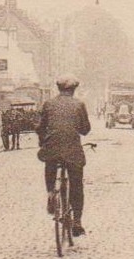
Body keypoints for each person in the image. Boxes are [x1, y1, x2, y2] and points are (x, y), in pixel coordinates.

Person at [37, 76, 93, 237]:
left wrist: (43, 143)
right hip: (72, 151)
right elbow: (85, 129)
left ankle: (50, 194)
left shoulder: (48, 104)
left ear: (58, 89)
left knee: (50, 164)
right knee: (76, 184)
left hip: (52, 148)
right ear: (73, 90)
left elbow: (40, 127)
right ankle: (77, 221)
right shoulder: (79, 105)